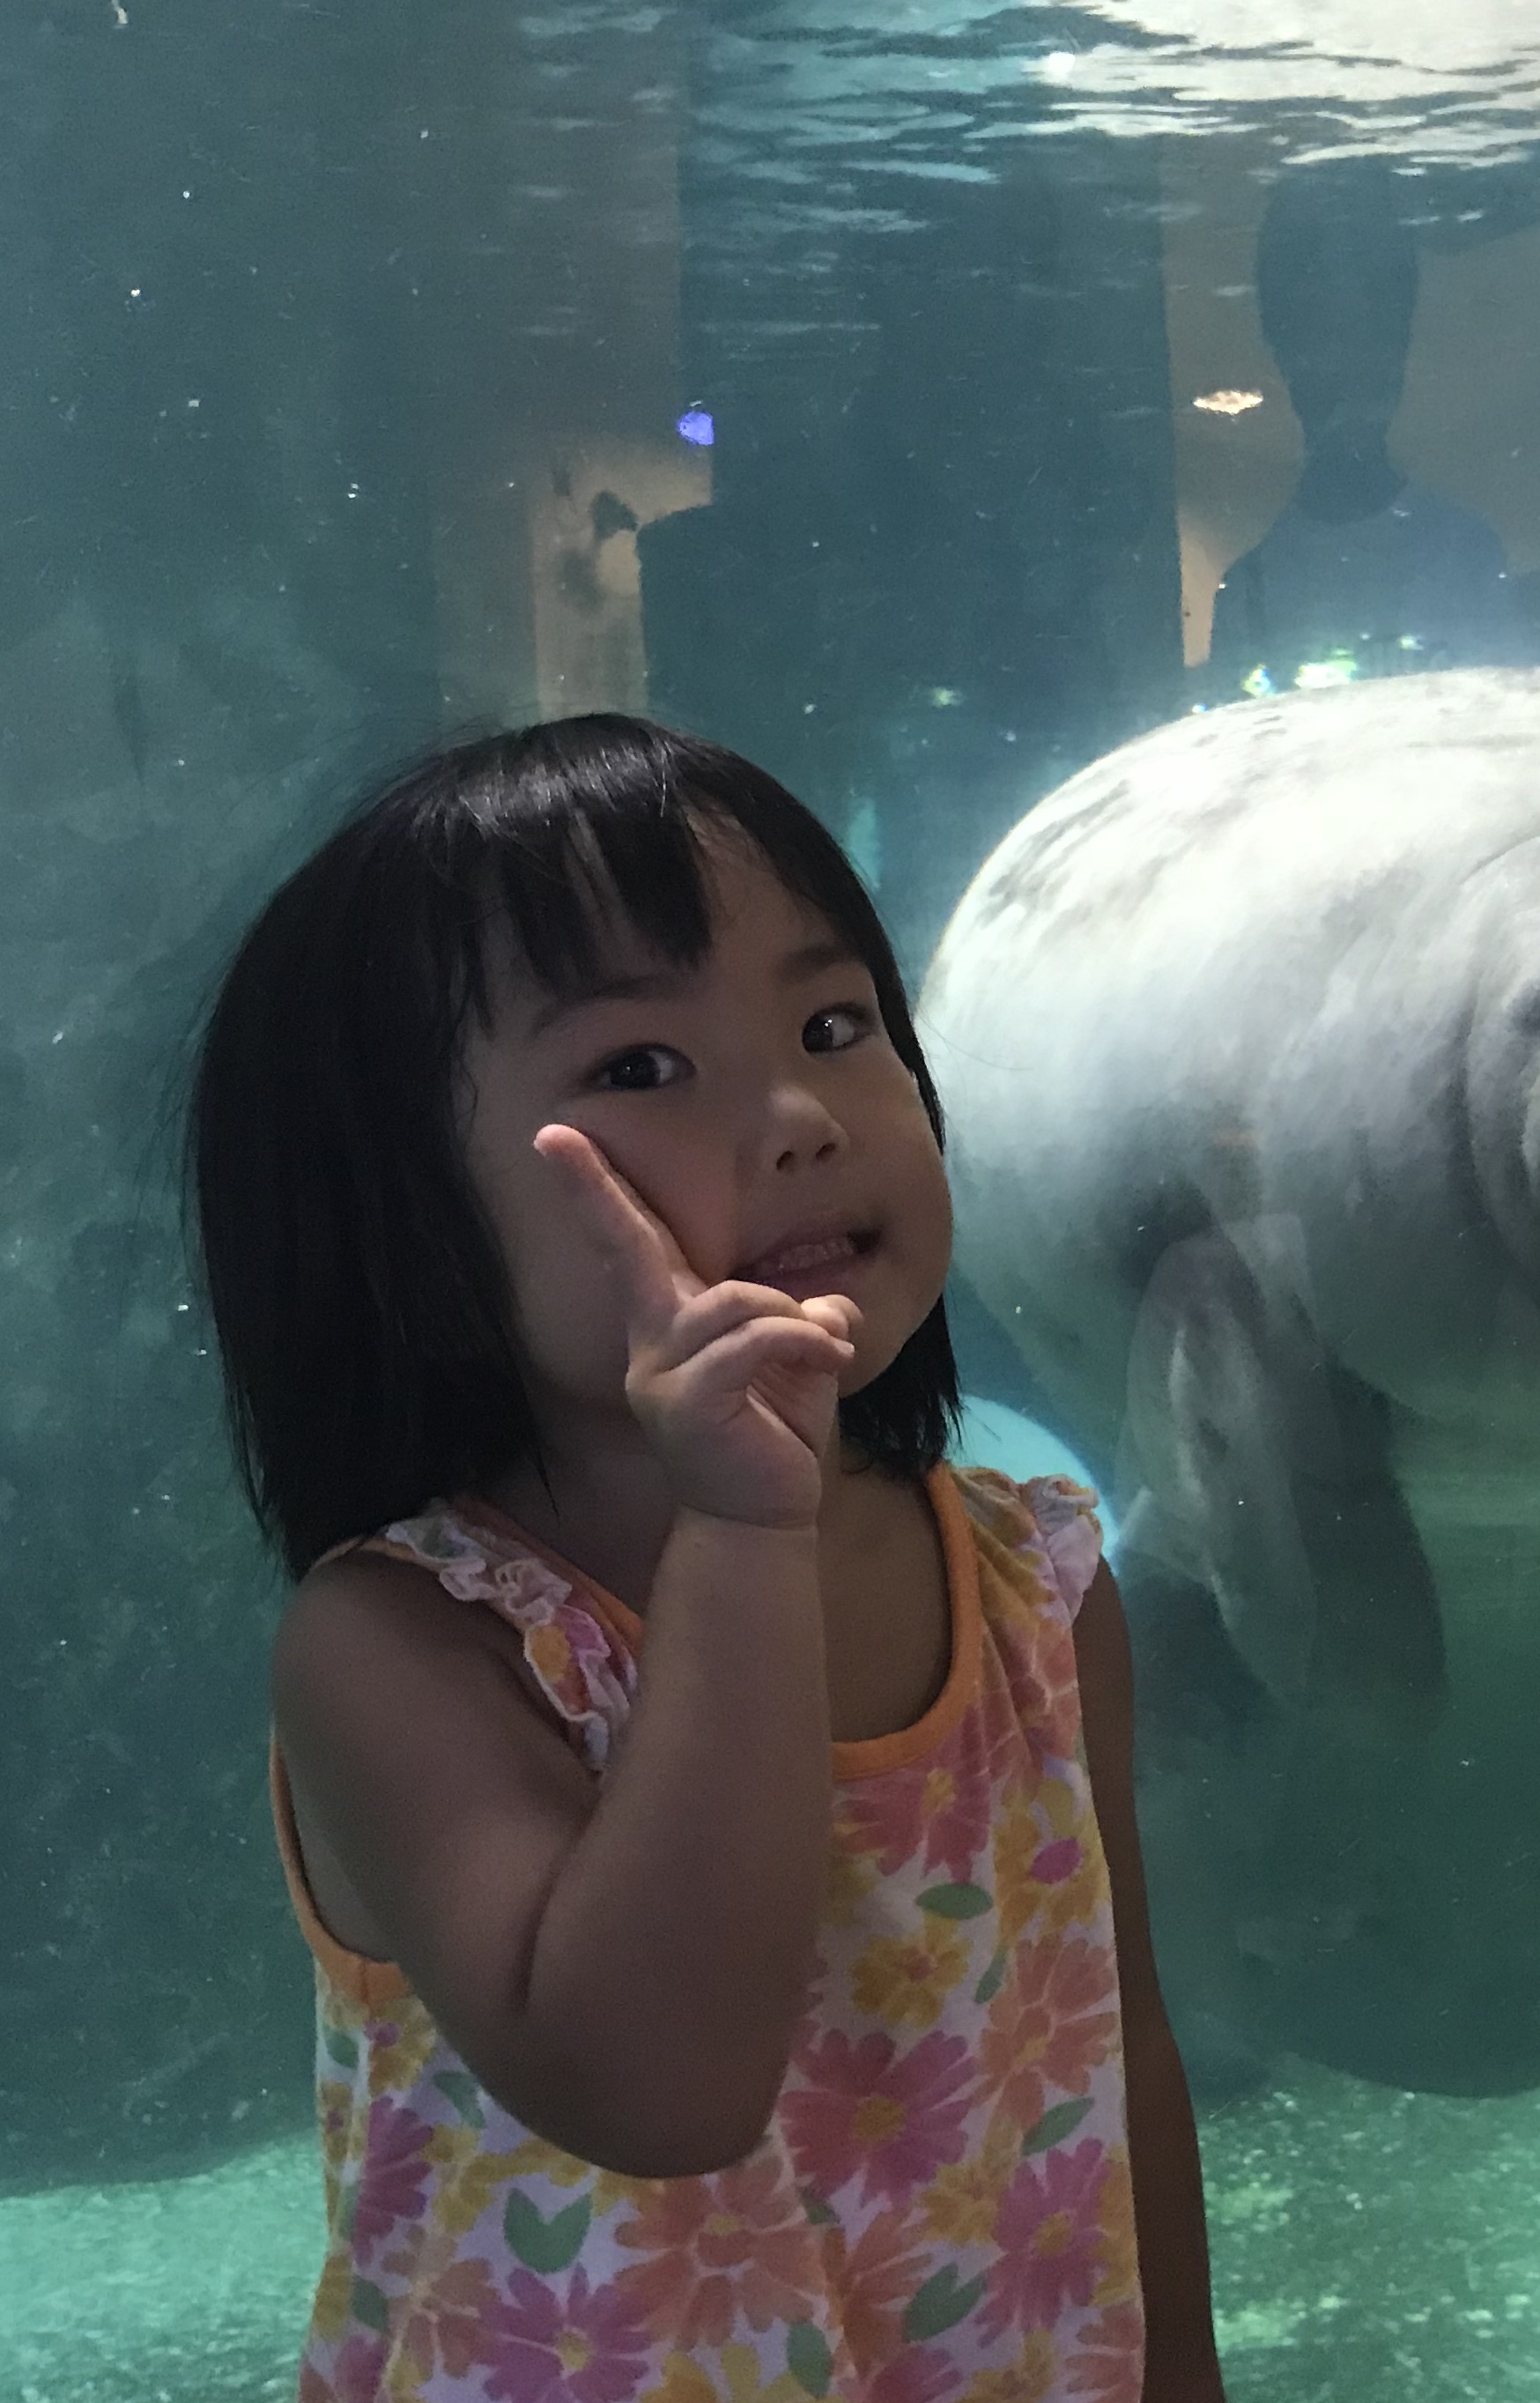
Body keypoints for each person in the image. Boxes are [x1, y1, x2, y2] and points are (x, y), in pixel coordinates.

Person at [186, 719, 1225, 2403]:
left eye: (834, 1023)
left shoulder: (1035, 1584)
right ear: (400, 1221)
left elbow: (1125, 2041)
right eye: (638, 1068)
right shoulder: (401, 1647)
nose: (803, 1113)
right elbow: (657, 2086)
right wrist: (747, 1530)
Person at [1207, 162, 1520, 695]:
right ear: (1286, 357)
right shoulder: (1246, 595)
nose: (1350, 379)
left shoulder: (1467, 553)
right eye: (1323, 348)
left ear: (1399, 351)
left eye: (1372, 343)